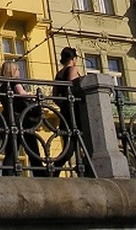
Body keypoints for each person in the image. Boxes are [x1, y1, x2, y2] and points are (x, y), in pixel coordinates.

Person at [0, 61, 44, 176]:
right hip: (22, 120)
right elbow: (21, 93)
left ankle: (7, 175)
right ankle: (40, 174)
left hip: (7, 120)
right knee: (32, 149)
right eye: (17, 69)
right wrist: (33, 96)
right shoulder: (15, 82)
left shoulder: (2, 87)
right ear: (12, 71)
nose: (19, 71)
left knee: (11, 152)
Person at [53, 46, 82, 176]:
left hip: (64, 113)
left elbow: (55, 95)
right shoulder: (73, 69)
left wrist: (63, 105)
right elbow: (73, 88)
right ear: (73, 58)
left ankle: (55, 169)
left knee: (69, 147)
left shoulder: (59, 74)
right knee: (76, 144)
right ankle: (54, 169)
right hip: (75, 112)